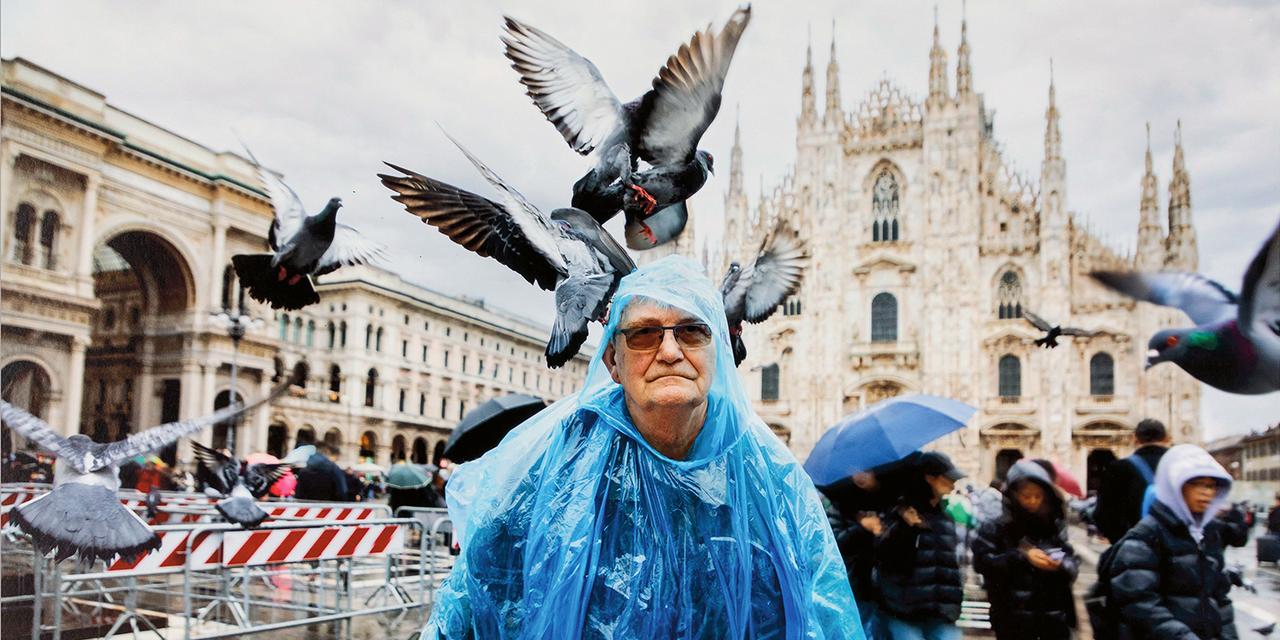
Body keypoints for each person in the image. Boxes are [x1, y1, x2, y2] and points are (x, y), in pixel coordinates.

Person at [422, 256, 862, 639]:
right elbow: (474, 598)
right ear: (613, 361)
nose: (670, 351)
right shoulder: (552, 463)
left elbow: (823, 610)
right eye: (644, 335)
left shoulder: (772, 476)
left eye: (692, 331)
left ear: (718, 352)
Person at [1106, 444, 1238, 639]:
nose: (1207, 492)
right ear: (1175, 485)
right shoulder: (1145, 537)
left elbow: (1220, 597)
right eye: (1197, 483)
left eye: (1211, 485)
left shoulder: (1208, 535)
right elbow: (1139, 602)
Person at [972, 460, 1078, 640]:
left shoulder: (1052, 525)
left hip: (1053, 617)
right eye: (1026, 496)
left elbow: (1070, 559)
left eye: (1038, 496)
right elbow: (983, 564)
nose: (1032, 501)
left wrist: (1062, 565)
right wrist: (1022, 557)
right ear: (1013, 495)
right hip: (1012, 618)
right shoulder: (995, 527)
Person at [875, 451, 966, 640]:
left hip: (940, 612)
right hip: (905, 612)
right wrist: (906, 529)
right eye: (947, 478)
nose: (953, 484)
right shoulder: (901, 514)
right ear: (929, 478)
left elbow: (950, 566)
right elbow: (887, 557)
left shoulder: (945, 517)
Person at [1095, 418, 1170, 543]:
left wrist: (1122, 541)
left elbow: (1102, 515)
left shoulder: (1118, 468)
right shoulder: (1181, 467)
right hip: (1175, 551)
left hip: (1133, 548)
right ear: (1166, 438)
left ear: (1135, 438)